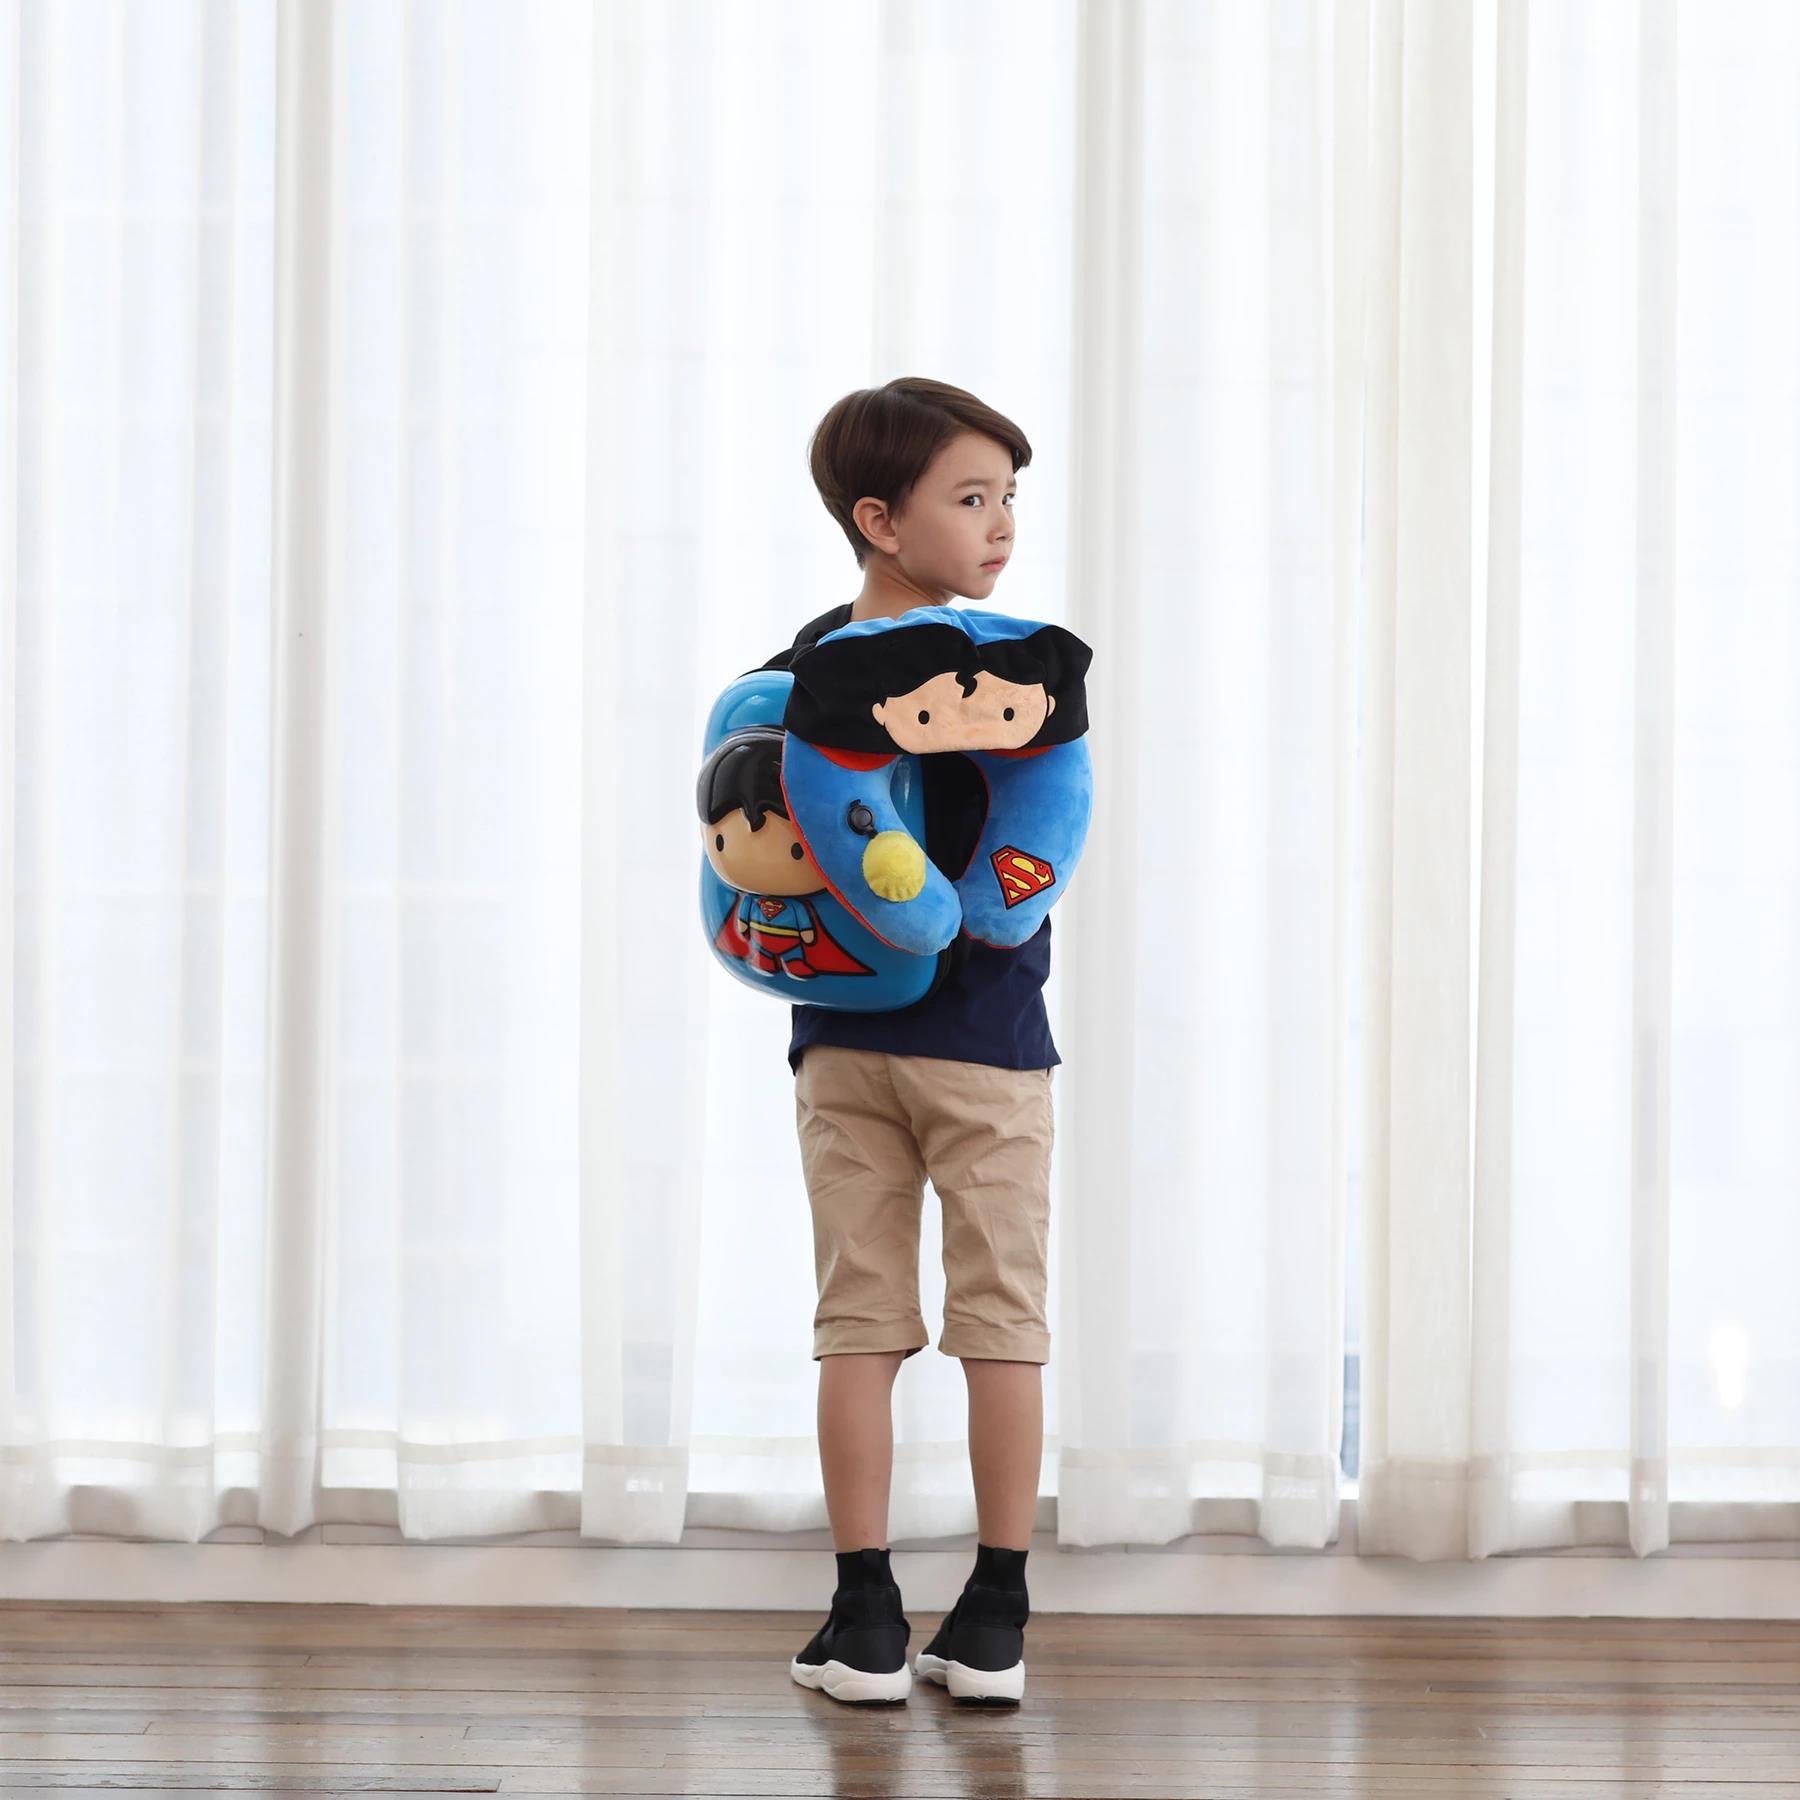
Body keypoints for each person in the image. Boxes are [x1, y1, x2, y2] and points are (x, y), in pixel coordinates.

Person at [774, 378, 1056, 1707]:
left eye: (1009, 497)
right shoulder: (1013, 670)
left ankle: (866, 1620)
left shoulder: (799, 669)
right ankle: (994, 1616)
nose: (1001, 525)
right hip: (991, 1039)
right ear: (879, 519)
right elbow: (1042, 844)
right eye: (972, 498)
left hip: (841, 1036)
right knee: (1003, 1321)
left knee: (859, 1323)